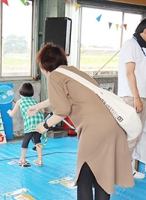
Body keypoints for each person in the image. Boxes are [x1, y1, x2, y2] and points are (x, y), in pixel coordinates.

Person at [28, 42, 134, 200]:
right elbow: (63, 97)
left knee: (85, 177)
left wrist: (44, 126)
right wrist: (38, 106)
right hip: (113, 126)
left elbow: (61, 110)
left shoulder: (55, 76)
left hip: (95, 130)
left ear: (43, 65)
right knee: (102, 177)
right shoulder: (74, 72)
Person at [118, 18, 146, 179]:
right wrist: (136, 97)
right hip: (132, 96)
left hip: (141, 96)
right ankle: (123, 169)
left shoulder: (142, 47)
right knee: (131, 134)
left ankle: (128, 167)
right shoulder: (131, 45)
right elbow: (130, 72)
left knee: (137, 135)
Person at [7, 82, 45, 166]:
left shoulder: (19, 101)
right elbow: (43, 111)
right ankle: (40, 160)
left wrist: (9, 112)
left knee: (26, 140)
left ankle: (22, 159)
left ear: (21, 93)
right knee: (37, 141)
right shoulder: (35, 100)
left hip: (30, 122)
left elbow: (12, 114)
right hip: (39, 122)